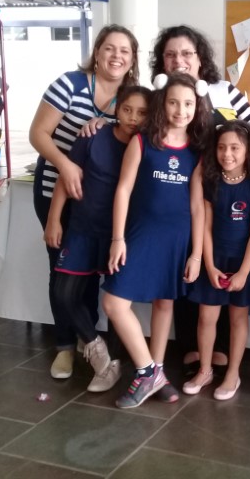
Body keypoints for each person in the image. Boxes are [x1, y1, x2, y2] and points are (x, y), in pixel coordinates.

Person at [151, 25, 250, 376]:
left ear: (200, 58)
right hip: (172, 197)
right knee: (188, 272)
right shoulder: (156, 96)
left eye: (187, 53)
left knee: (221, 270)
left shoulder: (225, 92)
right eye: (171, 54)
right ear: (162, 62)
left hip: (221, 198)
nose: (179, 60)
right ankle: (191, 346)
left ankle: (220, 350)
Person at [29, 24, 139, 380]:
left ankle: (85, 337)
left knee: (89, 272)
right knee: (61, 271)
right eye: (109, 48)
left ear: (133, 58)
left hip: (96, 202)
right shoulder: (70, 84)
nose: (116, 56)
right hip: (56, 188)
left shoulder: (130, 98)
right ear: (97, 51)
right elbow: (38, 133)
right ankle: (64, 346)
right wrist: (65, 164)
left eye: (124, 50)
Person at [104, 73, 210, 408]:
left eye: (188, 104)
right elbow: (123, 190)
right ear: (162, 103)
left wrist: (196, 254)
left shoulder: (198, 150)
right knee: (114, 303)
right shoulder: (142, 141)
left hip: (177, 239)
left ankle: (157, 371)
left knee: (165, 303)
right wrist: (118, 238)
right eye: (174, 102)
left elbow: (197, 206)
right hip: (139, 234)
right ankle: (148, 371)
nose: (181, 110)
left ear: (197, 106)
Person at [44, 85, 150, 392]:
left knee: (117, 302)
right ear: (116, 109)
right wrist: (54, 219)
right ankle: (96, 349)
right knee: (64, 293)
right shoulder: (93, 136)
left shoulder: (149, 145)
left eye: (142, 113)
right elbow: (67, 178)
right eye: (127, 109)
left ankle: (113, 363)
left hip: (122, 235)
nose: (133, 118)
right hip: (82, 229)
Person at [183, 120, 250, 400]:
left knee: (237, 318)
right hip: (215, 260)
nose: (227, 154)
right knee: (206, 317)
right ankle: (205, 370)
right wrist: (209, 265)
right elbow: (206, 228)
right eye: (221, 147)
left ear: (248, 150)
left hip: (243, 263)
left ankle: (233, 373)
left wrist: (243, 272)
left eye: (234, 148)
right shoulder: (211, 182)